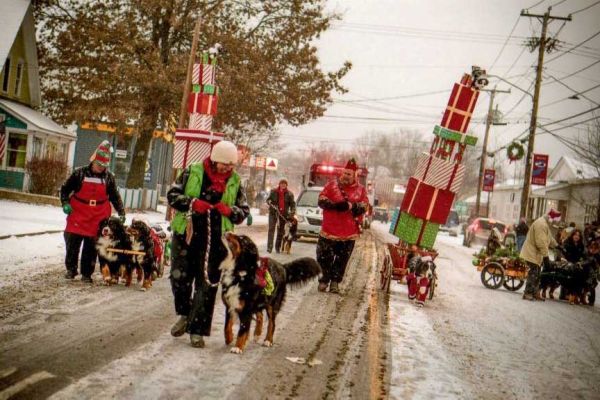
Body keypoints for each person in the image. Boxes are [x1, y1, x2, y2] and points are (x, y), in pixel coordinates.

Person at [167, 140, 249, 348]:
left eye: (231, 165)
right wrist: (192, 203)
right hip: (187, 233)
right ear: (214, 160)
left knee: (208, 285)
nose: (227, 168)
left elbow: (244, 211)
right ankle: (185, 314)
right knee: (180, 277)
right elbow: (172, 196)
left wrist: (230, 211)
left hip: (218, 239)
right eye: (224, 164)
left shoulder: (236, 181)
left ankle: (198, 330)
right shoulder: (192, 171)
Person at [60, 140, 126, 282]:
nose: (101, 168)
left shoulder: (109, 178)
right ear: (93, 161)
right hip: (78, 212)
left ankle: (86, 273)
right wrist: (65, 203)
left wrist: (121, 212)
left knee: (91, 247)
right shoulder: (79, 173)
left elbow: (114, 196)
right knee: (72, 242)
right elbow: (65, 189)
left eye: (104, 166)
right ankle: (71, 269)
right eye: (99, 165)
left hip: (98, 215)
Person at [316, 158, 369, 294]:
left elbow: (365, 206)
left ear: (354, 176)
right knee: (323, 257)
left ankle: (335, 282)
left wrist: (353, 206)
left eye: (349, 174)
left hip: (348, 232)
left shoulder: (360, 190)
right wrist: (334, 206)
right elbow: (321, 199)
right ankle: (323, 279)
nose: (346, 176)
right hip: (328, 229)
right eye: (344, 173)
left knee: (342, 260)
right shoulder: (331, 185)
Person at [520, 208, 560, 301]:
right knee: (533, 273)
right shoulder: (541, 224)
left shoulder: (544, 224)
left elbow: (549, 237)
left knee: (538, 273)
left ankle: (535, 293)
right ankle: (528, 293)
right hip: (531, 253)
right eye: (554, 220)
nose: (554, 222)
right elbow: (541, 242)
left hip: (536, 254)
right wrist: (546, 257)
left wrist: (557, 246)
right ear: (550, 217)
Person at [266, 178, 296, 253]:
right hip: (273, 213)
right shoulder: (273, 192)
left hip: (283, 215)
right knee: (271, 229)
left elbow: (293, 205)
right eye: (281, 183)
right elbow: (268, 200)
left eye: (284, 184)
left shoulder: (290, 194)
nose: (283, 185)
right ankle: (269, 247)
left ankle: (277, 247)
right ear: (279, 184)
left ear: (286, 185)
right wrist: (269, 202)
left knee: (280, 232)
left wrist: (291, 213)